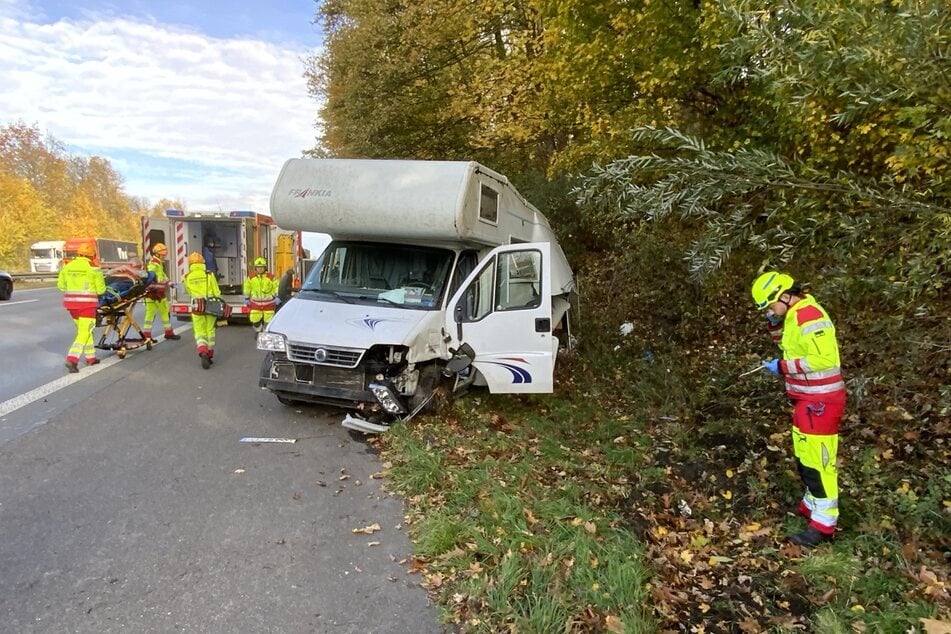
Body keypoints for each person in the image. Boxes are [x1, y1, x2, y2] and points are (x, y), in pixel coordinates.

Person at [752, 271, 847, 547]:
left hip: (822, 401)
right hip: (806, 400)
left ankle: (823, 525)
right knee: (804, 456)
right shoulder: (794, 315)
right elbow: (789, 346)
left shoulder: (810, 316)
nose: (770, 311)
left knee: (819, 464)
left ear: (784, 294)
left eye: (770, 306)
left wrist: (781, 367)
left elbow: (823, 359)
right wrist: (773, 326)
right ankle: (810, 504)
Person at [57, 241, 106, 373]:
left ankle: (91, 358)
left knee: (85, 331)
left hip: (71, 305)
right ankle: (72, 359)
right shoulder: (94, 268)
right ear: (92, 256)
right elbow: (101, 290)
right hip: (87, 305)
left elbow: (61, 286)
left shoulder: (67, 267)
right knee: (84, 332)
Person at [184, 251, 221, 369]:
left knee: (199, 331)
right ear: (203, 263)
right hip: (210, 305)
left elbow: (188, 292)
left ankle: (202, 350)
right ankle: (209, 354)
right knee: (210, 330)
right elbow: (216, 291)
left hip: (196, 306)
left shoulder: (187, 277)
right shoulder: (209, 275)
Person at [142, 244, 180, 342]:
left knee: (153, 313)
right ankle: (168, 333)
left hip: (153, 293)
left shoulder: (157, 263)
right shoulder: (154, 264)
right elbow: (151, 277)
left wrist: (169, 282)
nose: (164, 257)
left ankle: (148, 335)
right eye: (163, 255)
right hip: (156, 293)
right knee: (162, 312)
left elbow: (162, 275)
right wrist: (163, 282)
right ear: (158, 255)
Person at [244, 257, 278, 334]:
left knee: (269, 322)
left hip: (269, 304)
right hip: (255, 304)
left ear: (265, 268)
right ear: (255, 268)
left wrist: (277, 297)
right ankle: (259, 332)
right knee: (254, 320)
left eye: (261, 267)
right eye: (258, 267)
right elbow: (247, 287)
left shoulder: (271, 277)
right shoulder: (251, 277)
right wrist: (246, 298)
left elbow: (276, 286)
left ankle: (266, 334)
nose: (260, 269)